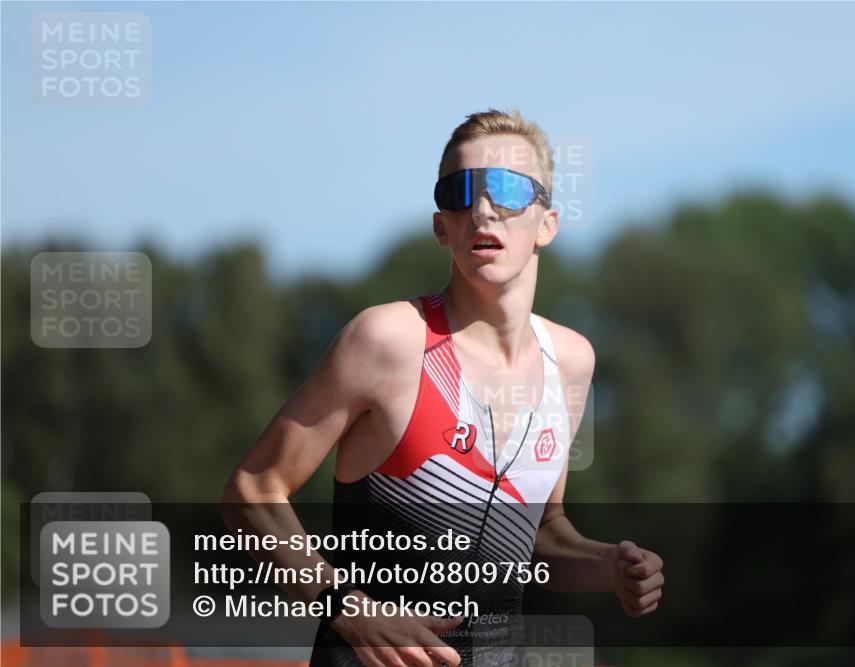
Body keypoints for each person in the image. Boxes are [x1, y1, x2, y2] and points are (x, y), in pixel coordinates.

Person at [223, 108, 664, 667]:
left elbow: (539, 531)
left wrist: (609, 566)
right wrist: (343, 604)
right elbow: (251, 491)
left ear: (546, 224)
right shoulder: (386, 341)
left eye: (506, 189)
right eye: (460, 192)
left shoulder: (572, 361)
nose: (483, 209)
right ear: (442, 226)